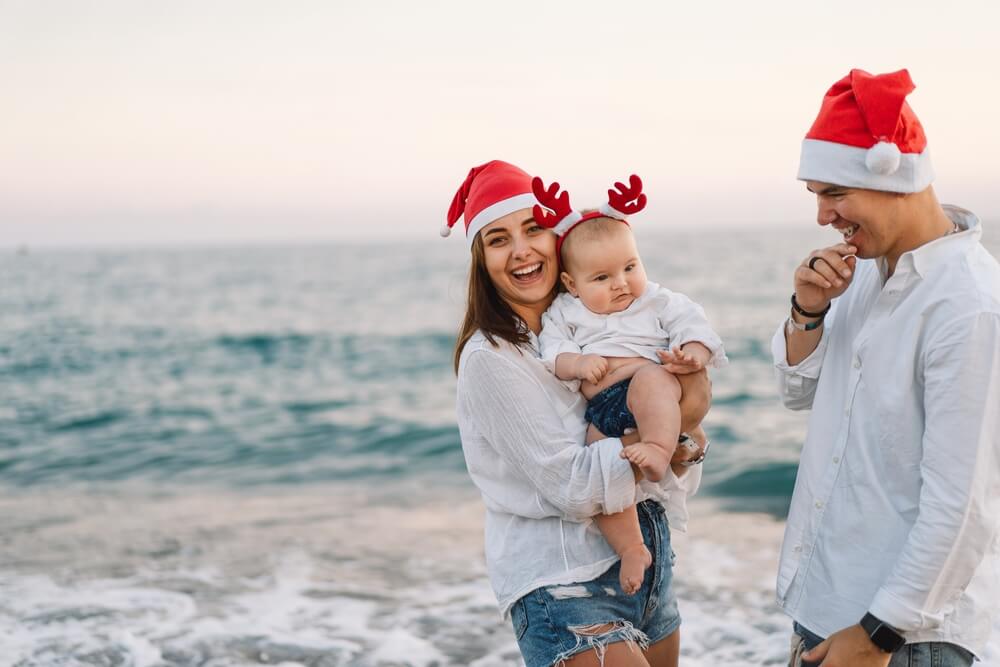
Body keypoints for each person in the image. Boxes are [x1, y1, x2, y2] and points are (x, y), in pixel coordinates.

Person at [772, 68, 1000, 667]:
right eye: (816, 196)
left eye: (834, 193)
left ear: (891, 173)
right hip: (827, 606)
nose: (823, 216)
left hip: (901, 637)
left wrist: (877, 635)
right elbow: (799, 395)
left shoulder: (969, 306)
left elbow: (964, 506)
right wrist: (809, 310)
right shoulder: (865, 276)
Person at [442, 160, 708, 667]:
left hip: (649, 568)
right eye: (498, 239)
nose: (521, 249)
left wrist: (684, 435)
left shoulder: (596, 325)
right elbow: (570, 483)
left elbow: (665, 467)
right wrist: (656, 411)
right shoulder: (491, 358)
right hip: (565, 584)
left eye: (533, 228)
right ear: (482, 260)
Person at [533, 173, 726, 594]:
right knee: (601, 469)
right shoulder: (565, 312)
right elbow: (552, 352)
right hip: (603, 405)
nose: (621, 283)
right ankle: (632, 547)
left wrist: (692, 353)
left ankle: (659, 448)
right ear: (571, 284)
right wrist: (577, 362)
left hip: (648, 387)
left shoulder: (655, 300)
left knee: (653, 379)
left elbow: (692, 322)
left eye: (629, 267)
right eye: (601, 278)